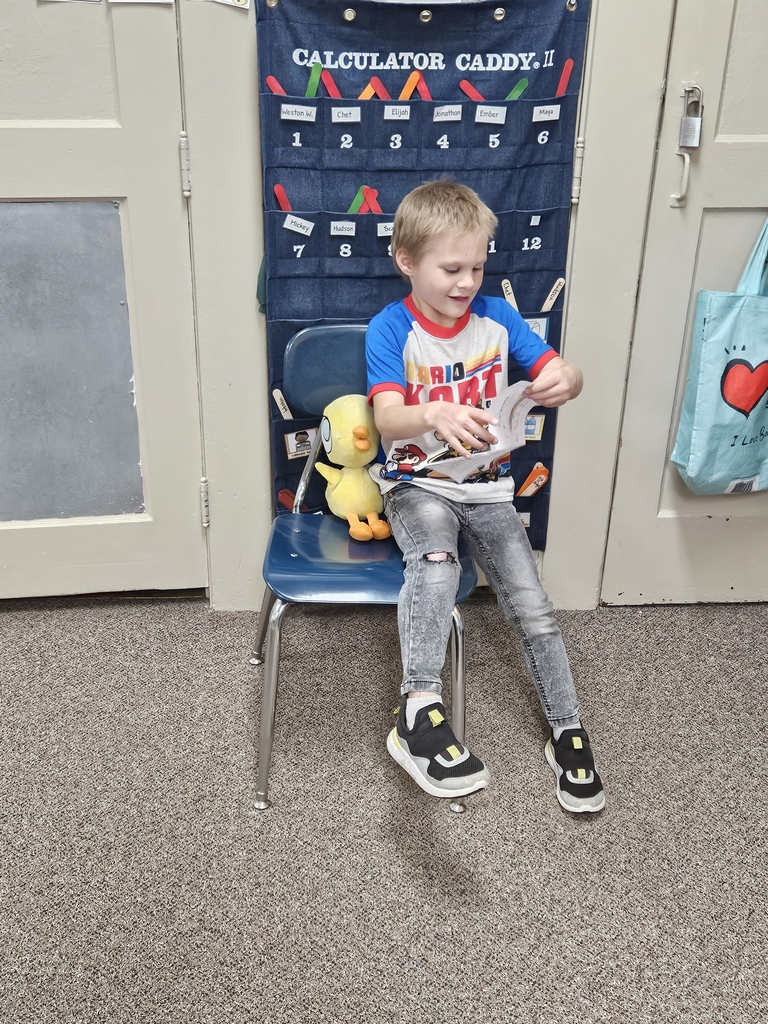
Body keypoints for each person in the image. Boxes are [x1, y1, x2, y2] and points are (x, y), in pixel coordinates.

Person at [365, 180, 604, 813]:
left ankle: (568, 730)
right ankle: (418, 711)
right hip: (418, 484)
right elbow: (387, 419)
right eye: (451, 268)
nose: (468, 281)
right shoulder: (389, 328)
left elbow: (561, 370)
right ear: (407, 261)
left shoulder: (499, 319)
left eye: (477, 265)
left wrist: (566, 379)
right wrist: (433, 412)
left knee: (533, 607)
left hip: (488, 487)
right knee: (436, 564)